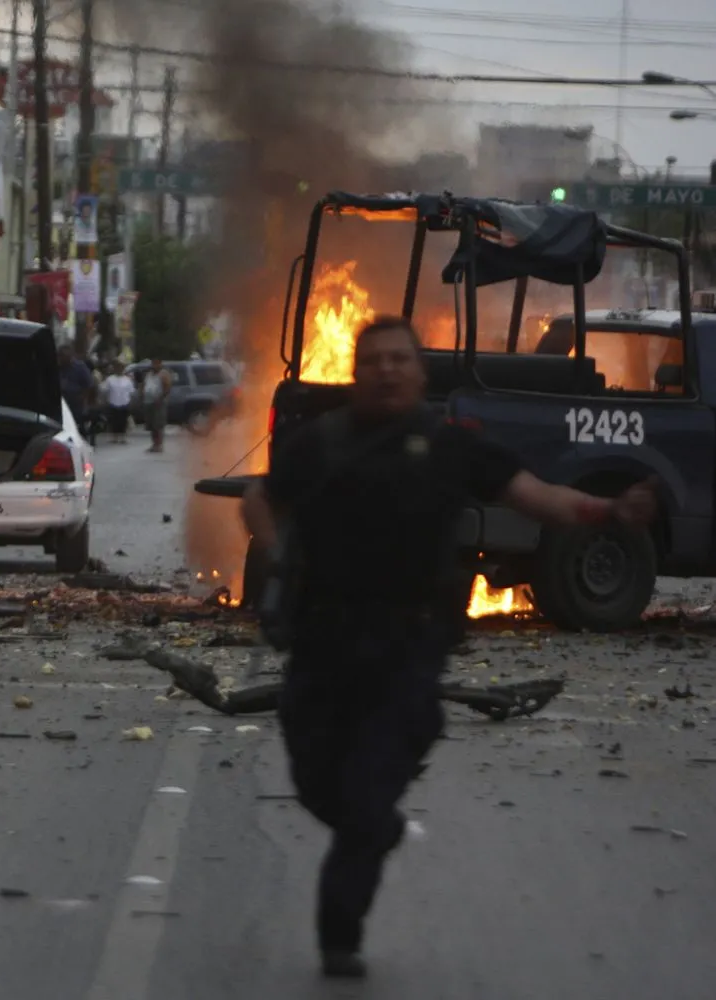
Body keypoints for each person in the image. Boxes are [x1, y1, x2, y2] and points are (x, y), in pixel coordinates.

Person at [239, 316, 658, 980]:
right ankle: (374, 828)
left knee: (367, 796)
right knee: (317, 783)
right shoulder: (319, 443)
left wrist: (608, 512)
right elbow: (259, 501)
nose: (386, 370)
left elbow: (539, 498)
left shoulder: (451, 447)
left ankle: (339, 935)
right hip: (324, 646)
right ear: (354, 373)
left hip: (407, 651)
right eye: (372, 360)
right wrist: (281, 559)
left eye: (398, 359)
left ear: (420, 372)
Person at [57, 342, 96, 437]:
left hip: (76, 401)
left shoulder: (79, 367)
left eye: (65, 356)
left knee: (76, 424)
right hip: (61, 401)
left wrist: (83, 398)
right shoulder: (57, 367)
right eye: (61, 356)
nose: (63, 359)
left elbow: (89, 384)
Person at [141, 359, 173, 453]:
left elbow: (167, 388)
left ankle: (159, 445)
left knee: (158, 425)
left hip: (158, 402)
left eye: (156, 364)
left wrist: (160, 399)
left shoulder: (164, 374)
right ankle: (154, 444)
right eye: (153, 364)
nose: (154, 365)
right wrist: (142, 394)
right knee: (151, 425)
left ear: (160, 364)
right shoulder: (149, 374)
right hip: (148, 402)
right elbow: (144, 385)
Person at [102, 361, 135, 444]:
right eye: (117, 368)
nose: (119, 369)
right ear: (114, 369)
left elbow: (131, 392)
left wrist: (131, 403)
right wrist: (105, 401)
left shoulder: (127, 380)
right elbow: (105, 390)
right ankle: (114, 437)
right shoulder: (110, 379)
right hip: (113, 403)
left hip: (124, 403)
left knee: (123, 421)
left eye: (121, 368)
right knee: (114, 421)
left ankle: (123, 437)